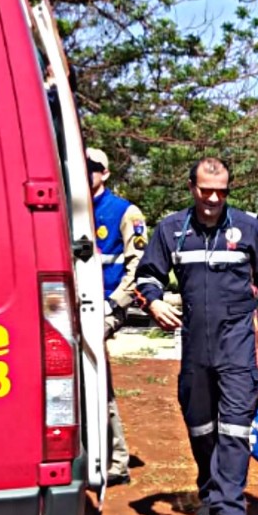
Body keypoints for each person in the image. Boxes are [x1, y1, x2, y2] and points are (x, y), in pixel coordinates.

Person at [135, 157, 258, 515]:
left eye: (221, 192)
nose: (214, 199)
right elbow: (146, 276)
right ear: (192, 189)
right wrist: (153, 303)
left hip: (238, 346)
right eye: (206, 191)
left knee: (236, 429)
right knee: (200, 426)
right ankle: (210, 489)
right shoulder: (172, 229)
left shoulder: (248, 229)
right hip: (195, 349)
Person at [87, 147, 148, 486]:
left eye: (94, 167)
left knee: (91, 367)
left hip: (108, 306)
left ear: (106, 173)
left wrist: (114, 303)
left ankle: (116, 459)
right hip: (76, 304)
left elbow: (138, 264)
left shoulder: (125, 212)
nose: (87, 172)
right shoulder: (69, 208)